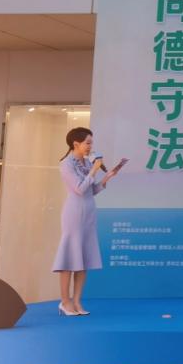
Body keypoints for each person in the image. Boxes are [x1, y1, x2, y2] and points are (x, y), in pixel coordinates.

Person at [52, 127, 126, 316]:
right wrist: (94, 169)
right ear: (75, 144)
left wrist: (107, 177)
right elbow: (79, 189)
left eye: (91, 143)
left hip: (89, 212)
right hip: (74, 213)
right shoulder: (66, 164)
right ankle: (65, 302)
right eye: (88, 143)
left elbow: (91, 190)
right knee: (70, 257)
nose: (90, 146)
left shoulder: (85, 163)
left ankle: (77, 301)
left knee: (83, 259)